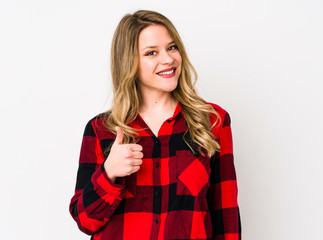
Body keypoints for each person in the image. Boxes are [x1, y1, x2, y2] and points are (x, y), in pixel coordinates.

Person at [69, 10, 242, 240]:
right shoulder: (101, 130)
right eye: (151, 52)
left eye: (172, 47)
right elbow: (85, 222)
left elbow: (225, 214)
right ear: (129, 62)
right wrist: (109, 173)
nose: (168, 59)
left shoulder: (213, 121)